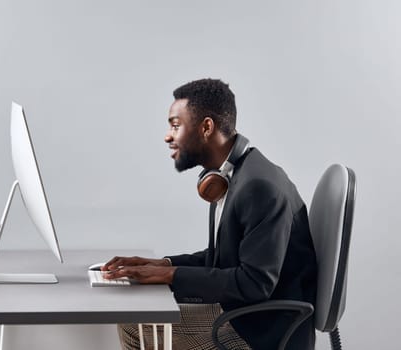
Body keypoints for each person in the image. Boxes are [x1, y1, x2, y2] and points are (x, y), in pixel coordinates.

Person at [103, 78, 317, 350]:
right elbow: (224, 259)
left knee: (139, 327)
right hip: (244, 314)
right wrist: (161, 264)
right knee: (136, 321)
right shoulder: (235, 175)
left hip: (259, 331)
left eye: (176, 125)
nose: (168, 136)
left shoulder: (258, 186)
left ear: (206, 127)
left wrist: (171, 276)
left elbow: (254, 283)